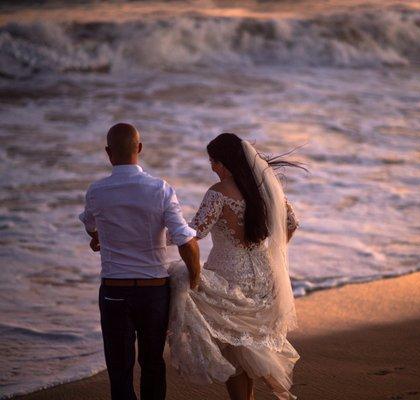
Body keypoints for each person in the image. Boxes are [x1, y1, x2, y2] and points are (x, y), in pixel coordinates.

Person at [167, 133, 303, 400]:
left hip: (229, 274)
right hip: (264, 274)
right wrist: (274, 255)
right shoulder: (264, 190)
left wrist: (159, 234)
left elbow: (195, 233)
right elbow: (291, 223)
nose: (212, 168)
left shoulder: (218, 193)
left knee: (233, 347)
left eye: (214, 162)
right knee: (247, 345)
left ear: (226, 162)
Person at [79, 122, 201, 400]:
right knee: (153, 364)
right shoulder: (160, 189)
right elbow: (186, 241)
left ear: (108, 152)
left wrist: (97, 236)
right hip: (154, 292)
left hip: (115, 292)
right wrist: (194, 279)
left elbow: (89, 224)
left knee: (119, 370)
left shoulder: (97, 191)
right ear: (140, 149)